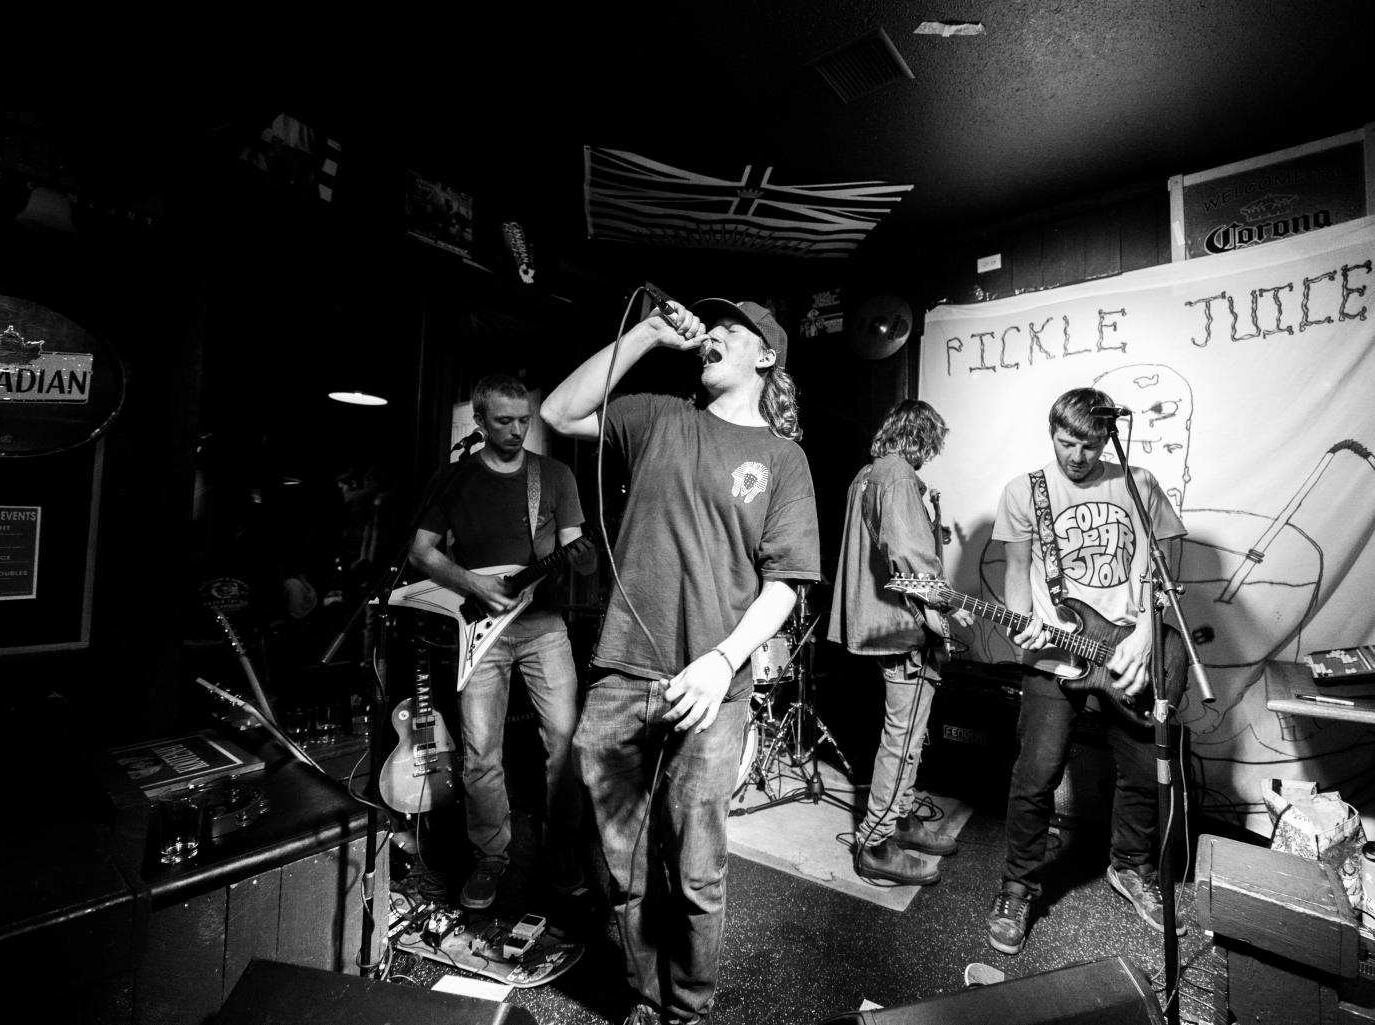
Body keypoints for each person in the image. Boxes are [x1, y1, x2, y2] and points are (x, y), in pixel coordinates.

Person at [541, 296, 820, 1025]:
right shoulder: (661, 417)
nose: (714, 334)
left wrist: (723, 661)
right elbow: (561, 412)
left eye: (733, 329)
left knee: (695, 868)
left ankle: (689, 1009)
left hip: (712, 685)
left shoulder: (783, 459)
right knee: (627, 867)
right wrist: (645, 332)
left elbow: (786, 585)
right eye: (710, 327)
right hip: (621, 674)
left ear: (766, 356)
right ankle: (645, 994)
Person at [985, 386, 1187, 955]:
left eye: (1091, 443)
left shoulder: (1139, 483)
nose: (1078, 454)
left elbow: (1169, 564)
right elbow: (1017, 571)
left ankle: (1130, 866)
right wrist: (1019, 622)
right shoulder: (1025, 492)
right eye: (1067, 441)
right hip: (1058, 653)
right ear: (1052, 432)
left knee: (1146, 772)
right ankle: (1018, 887)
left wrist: (1148, 635)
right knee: (1036, 775)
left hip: (1132, 651)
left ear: (1108, 437)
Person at [408, 373, 596, 910]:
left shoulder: (554, 476)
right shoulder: (456, 479)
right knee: (480, 750)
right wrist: (472, 584)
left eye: (524, 422)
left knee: (565, 743)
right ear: (480, 422)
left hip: (543, 626)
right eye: (503, 422)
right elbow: (421, 551)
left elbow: (570, 549)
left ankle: (563, 850)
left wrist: (575, 560)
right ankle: (491, 856)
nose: (516, 431)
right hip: (479, 631)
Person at [827, 399, 971, 886]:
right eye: (932, 443)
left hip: (876, 622)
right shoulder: (898, 476)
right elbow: (909, 555)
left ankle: (904, 818)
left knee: (908, 733)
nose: (932, 454)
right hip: (902, 625)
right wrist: (947, 607)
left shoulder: (866, 474)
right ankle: (877, 841)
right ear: (922, 437)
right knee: (904, 738)